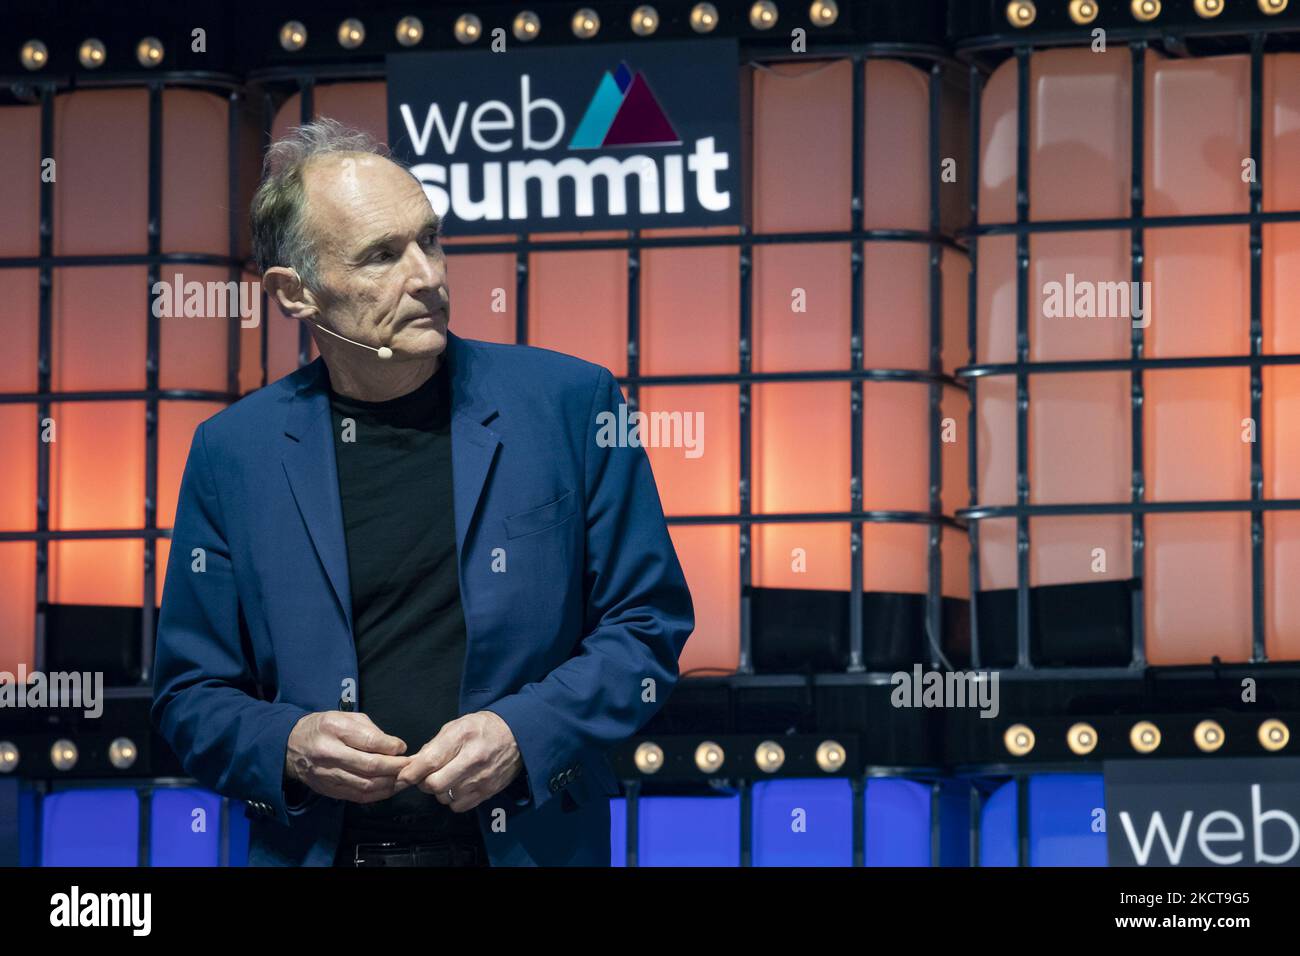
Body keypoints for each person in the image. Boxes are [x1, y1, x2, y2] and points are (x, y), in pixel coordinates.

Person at [150, 118, 694, 866]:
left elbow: (647, 625)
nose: (428, 276)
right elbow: (188, 694)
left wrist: (523, 733)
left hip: (527, 847)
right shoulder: (231, 453)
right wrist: (290, 746)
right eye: (382, 256)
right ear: (294, 293)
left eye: (429, 240)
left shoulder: (572, 403)